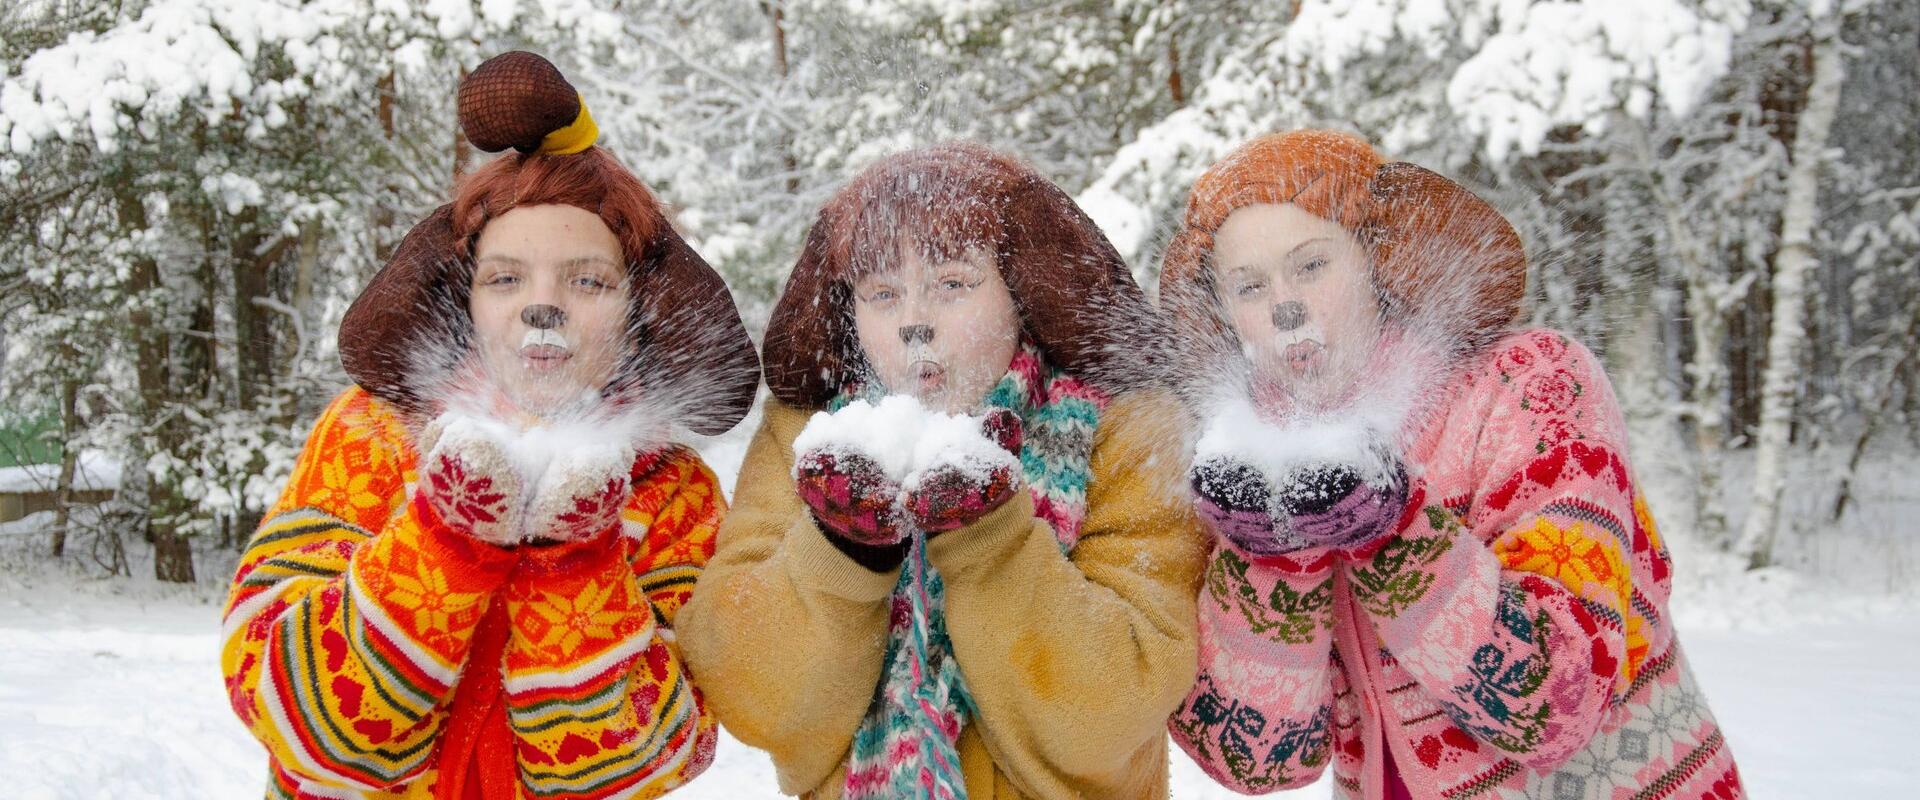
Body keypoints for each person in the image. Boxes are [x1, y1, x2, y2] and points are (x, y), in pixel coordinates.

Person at [219, 52, 759, 800]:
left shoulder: (674, 493)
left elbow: (661, 754)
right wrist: (446, 537)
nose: (544, 306)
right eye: (506, 278)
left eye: (588, 280)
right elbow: (286, 714)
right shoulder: (368, 437)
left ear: (637, 312)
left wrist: (574, 559)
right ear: (461, 299)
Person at [1162, 130, 1745, 799]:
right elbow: (1257, 762)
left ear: (1378, 258)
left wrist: (1391, 530)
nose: (1285, 306)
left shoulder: (1532, 384)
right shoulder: (1247, 461)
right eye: (1249, 285)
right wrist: (1270, 557)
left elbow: (1557, 702)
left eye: (1312, 266)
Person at [678, 143, 1211, 799]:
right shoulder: (804, 439)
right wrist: (842, 548)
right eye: (882, 294)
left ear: (1023, 290)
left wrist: (993, 541)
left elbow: (1108, 714)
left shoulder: (1130, 430)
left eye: (952, 284)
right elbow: (753, 697)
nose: (913, 324)